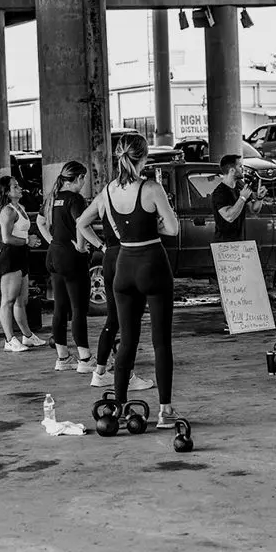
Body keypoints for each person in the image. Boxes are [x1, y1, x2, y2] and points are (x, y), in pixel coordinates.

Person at [101, 133, 180, 427]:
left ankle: (119, 408)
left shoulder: (108, 190)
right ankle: (165, 411)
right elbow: (172, 228)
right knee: (161, 343)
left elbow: (114, 227)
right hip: (152, 264)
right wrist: (158, 220)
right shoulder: (151, 188)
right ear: (144, 157)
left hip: (124, 267)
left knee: (127, 343)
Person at [76, 188, 154, 391]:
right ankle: (127, 377)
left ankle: (100, 372)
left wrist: (101, 246)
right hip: (128, 254)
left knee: (113, 318)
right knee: (130, 320)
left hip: (109, 256)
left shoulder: (104, 196)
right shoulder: (138, 194)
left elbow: (82, 224)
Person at [36, 161, 94, 373]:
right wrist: (80, 246)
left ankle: (63, 358)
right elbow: (82, 224)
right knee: (78, 308)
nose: (83, 183)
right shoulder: (75, 199)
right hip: (71, 257)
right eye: (83, 179)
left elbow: (40, 222)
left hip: (54, 255)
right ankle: (85, 360)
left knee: (60, 307)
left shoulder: (52, 198)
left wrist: (52, 240)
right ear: (78, 178)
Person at [0, 176, 45, 352]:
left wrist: (29, 240)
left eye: (18, 185)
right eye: (15, 186)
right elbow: (6, 238)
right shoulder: (7, 211)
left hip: (22, 255)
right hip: (11, 257)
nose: (19, 188)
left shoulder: (21, 208)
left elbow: (22, 233)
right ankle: (9, 340)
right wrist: (27, 241)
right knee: (7, 300)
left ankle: (28, 336)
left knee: (21, 300)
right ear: (7, 192)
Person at [212, 154, 267, 243]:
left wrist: (260, 198)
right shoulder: (220, 192)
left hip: (239, 241)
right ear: (232, 170)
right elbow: (229, 217)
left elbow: (254, 210)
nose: (243, 169)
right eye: (240, 166)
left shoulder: (240, 186)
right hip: (224, 244)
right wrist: (242, 198)